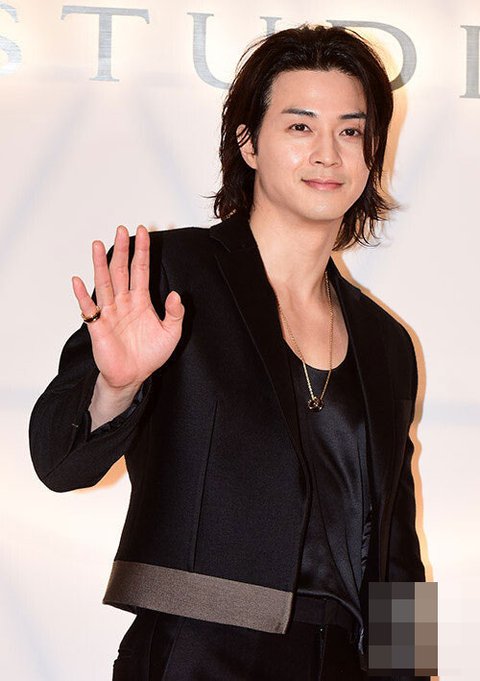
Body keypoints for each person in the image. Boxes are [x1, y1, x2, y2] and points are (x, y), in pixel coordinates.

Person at [29, 24, 427, 680]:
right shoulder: (170, 274)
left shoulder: (387, 343)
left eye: (351, 131)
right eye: (300, 126)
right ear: (248, 143)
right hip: (197, 651)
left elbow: (396, 551)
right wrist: (116, 385)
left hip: (341, 660)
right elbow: (59, 462)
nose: (327, 153)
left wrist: (411, 670)